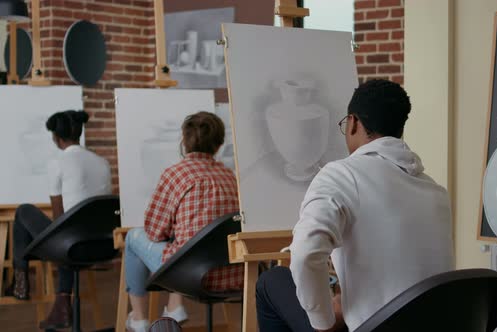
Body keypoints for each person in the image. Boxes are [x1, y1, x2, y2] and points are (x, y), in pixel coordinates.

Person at [255, 79, 454, 331]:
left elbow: (305, 254)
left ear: (353, 123)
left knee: (270, 282)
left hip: (372, 327)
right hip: (433, 324)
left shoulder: (341, 174)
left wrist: (323, 322)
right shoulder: (436, 191)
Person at [125, 112, 243, 332]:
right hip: (233, 276)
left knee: (133, 237)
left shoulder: (176, 174)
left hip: (190, 276)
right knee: (185, 237)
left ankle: (139, 319)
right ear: (218, 145)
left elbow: (154, 231)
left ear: (184, 141)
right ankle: (174, 307)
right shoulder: (231, 177)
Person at [8, 110, 112, 330]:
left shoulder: (58, 162)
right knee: (71, 233)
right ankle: (61, 305)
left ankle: (20, 278)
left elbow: (59, 220)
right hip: (102, 247)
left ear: (56, 137)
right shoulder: (102, 163)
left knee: (23, 211)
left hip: (72, 246)